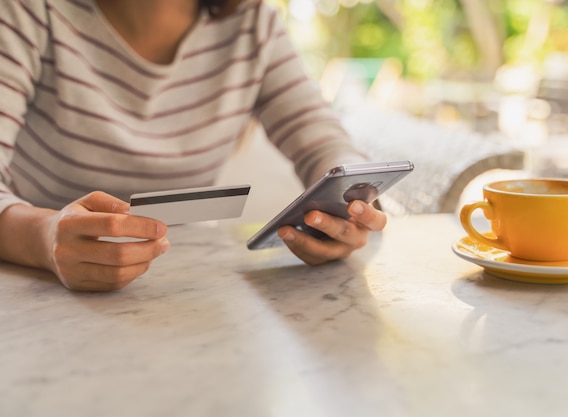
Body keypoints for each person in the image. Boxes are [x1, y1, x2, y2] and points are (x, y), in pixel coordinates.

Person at [0, 0, 387, 292]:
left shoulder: (252, 23)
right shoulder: (29, 11)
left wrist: (349, 200)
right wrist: (45, 237)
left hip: (193, 293)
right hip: (39, 292)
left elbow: (322, 140)